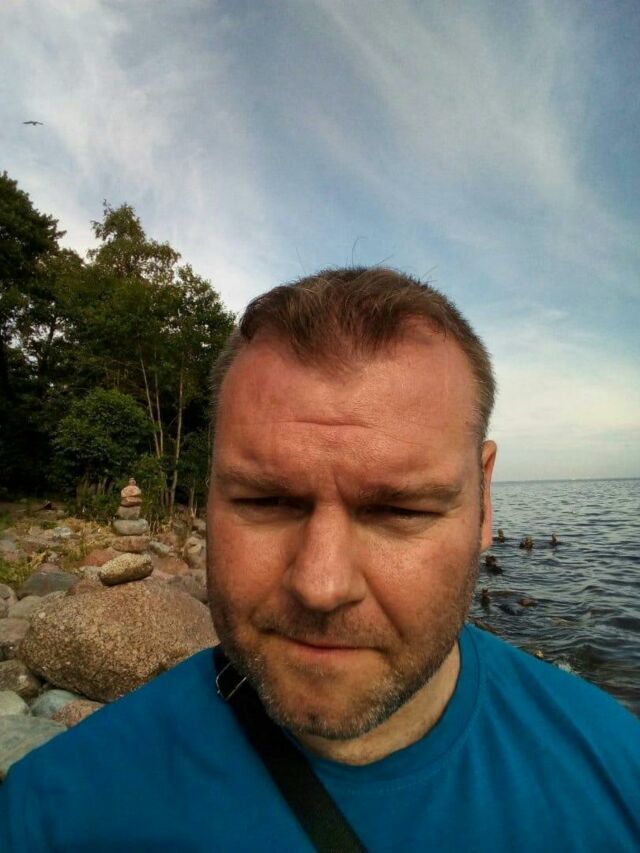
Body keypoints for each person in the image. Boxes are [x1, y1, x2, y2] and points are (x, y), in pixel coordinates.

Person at [1, 267, 639, 851]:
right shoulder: (55, 816)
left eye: (400, 510)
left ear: (484, 500)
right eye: (267, 500)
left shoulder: (622, 779)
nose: (321, 585)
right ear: (210, 492)